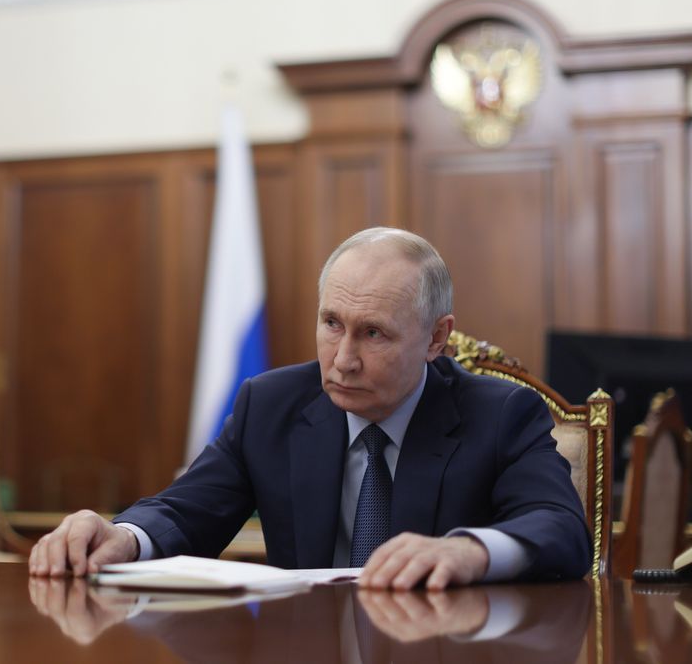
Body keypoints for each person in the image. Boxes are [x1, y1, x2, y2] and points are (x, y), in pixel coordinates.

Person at [29, 227, 590, 589]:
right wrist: (123, 536)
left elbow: (563, 530)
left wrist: (470, 553)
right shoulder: (269, 405)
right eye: (331, 325)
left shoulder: (502, 413)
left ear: (436, 339)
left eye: (373, 334)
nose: (342, 361)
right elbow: (184, 511)